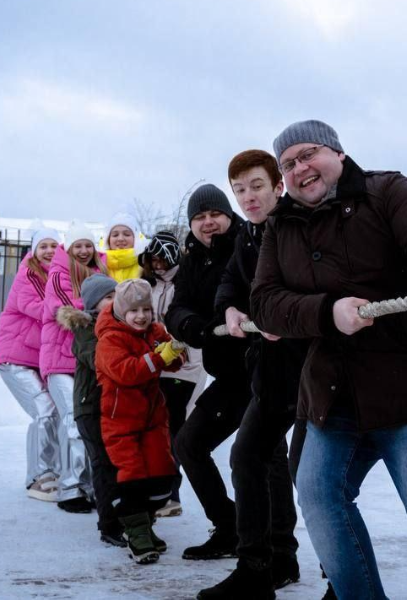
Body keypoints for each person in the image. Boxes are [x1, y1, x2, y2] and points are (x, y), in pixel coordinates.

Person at [250, 120, 407, 600]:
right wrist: (327, 312)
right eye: (289, 163)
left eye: (309, 154)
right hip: (333, 392)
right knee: (321, 498)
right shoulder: (280, 226)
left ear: (339, 155)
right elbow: (265, 302)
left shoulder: (386, 190)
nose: (301, 168)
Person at [197, 150, 305, 599]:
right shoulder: (246, 237)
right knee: (248, 457)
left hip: (318, 373)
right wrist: (229, 307)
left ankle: (340, 579)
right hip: (271, 373)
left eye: (256, 186)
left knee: (316, 478)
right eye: (239, 190)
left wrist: (273, 312)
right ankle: (257, 567)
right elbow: (230, 282)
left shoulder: (299, 225)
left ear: (278, 185)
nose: (248, 197)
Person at [165, 184, 250, 560]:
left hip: (262, 370)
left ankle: (280, 552)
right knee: (188, 443)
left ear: (229, 216)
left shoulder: (248, 244)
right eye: (199, 217)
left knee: (263, 459)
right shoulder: (193, 259)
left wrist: (223, 317)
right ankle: (229, 527)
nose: (208, 222)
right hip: (229, 376)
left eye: (214, 214)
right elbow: (176, 309)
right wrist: (194, 327)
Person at [95, 278, 182, 564]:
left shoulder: (155, 331)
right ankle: (137, 533)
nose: (141, 315)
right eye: (133, 310)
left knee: (162, 475)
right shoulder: (110, 338)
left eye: (146, 309)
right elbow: (126, 372)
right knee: (131, 476)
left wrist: (175, 353)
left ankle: (147, 525)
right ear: (121, 311)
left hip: (153, 418)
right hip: (120, 420)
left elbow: (175, 358)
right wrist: (158, 359)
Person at [40, 220, 107, 512]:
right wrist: (100, 309)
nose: (82, 250)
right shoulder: (58, 274)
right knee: (72, 421)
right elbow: (64, 309)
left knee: (90, 423)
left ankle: (91, 486)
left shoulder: (102, 272)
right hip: (59, 358)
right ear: (68, 249)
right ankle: (70, 489)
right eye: (77, 245)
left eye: (87, 245)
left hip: (86, 359)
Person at [0, 227, 62, 502]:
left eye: (54, 246)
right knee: (44, 409)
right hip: (14, 358)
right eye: (43, 246)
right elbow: (39, 309)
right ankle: (38, 477)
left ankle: (52, 472)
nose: (48, 251)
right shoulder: (28, 275)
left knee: (54, 409)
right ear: (34, 251)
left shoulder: (56, 278)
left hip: (34, 360)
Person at [140, 231, 207, 518]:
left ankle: (171, 495)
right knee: (160, 429)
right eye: (151, 260)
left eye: (160, 259)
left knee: (173, 429)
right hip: (158, 365)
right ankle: (161, 492)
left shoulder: (187, 280)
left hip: (186, 365)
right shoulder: (150, 285)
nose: (156, 265)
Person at [56, 274, 125, 547]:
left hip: (113, 407)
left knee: (118, 463)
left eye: (116, 296)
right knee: (102, 464)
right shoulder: (86, 328)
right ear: (94, 304)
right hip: (89, 408)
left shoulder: (120, 325)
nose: (114, 301)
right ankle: (109, 525)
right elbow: (99, 360)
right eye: (108, 297)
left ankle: (125, 518)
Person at [104, 212, 142, 282]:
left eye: (127, 234)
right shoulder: (99, 265)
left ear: (135, 238)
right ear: (108, 239)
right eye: (115, 235)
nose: (120, 239)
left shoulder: (145, 263)